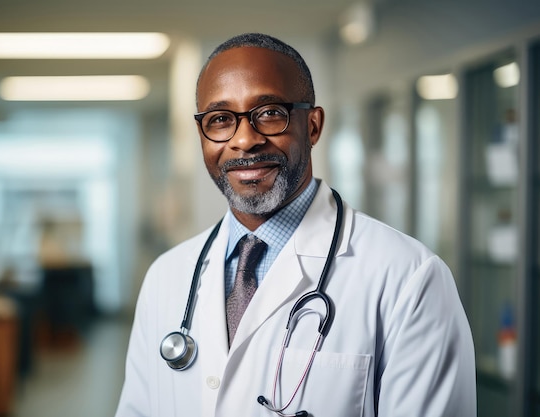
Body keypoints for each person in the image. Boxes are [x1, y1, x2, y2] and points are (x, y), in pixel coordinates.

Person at [115, 33, 476, 417]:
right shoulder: (166, 277)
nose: (244, 140)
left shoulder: (408, 278)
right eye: (220, 119)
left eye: (270, 113)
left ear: (314, 125)